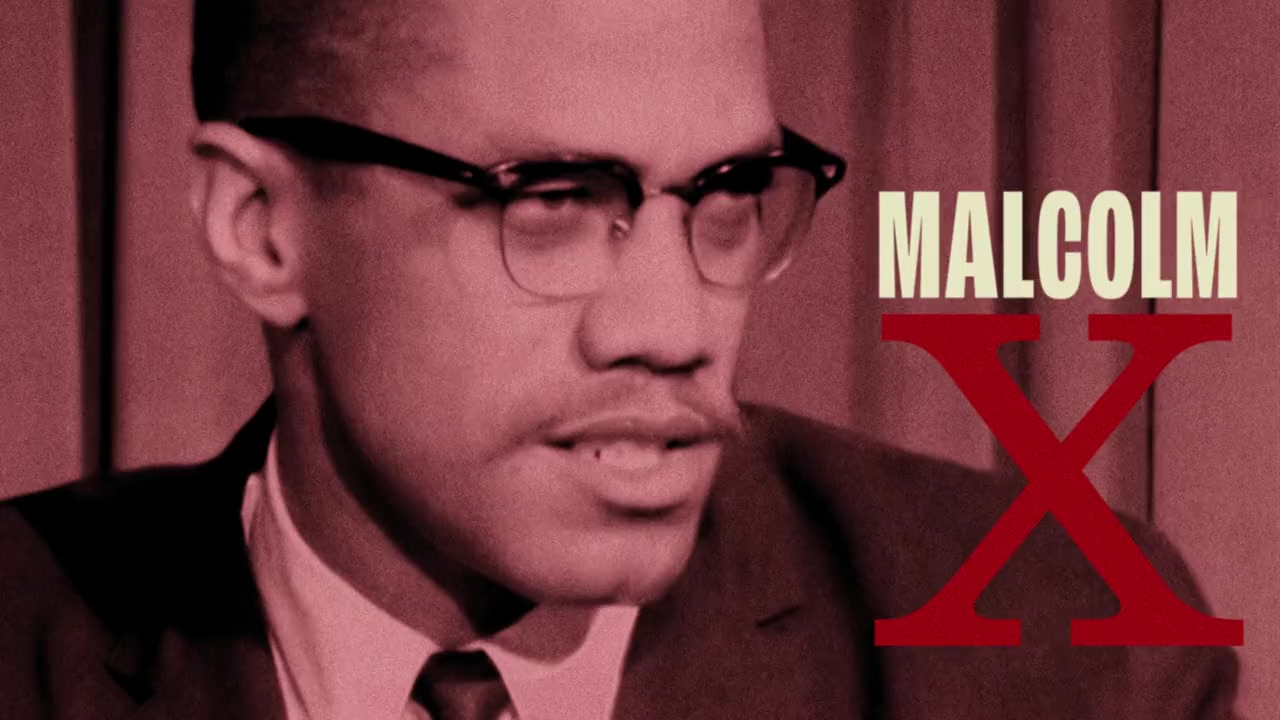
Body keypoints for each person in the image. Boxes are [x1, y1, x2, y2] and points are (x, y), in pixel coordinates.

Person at [0, 0, 1240, 718]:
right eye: (548, 198)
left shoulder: (1071, 657)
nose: (676, 326)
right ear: (260, 229)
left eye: (727, 191)